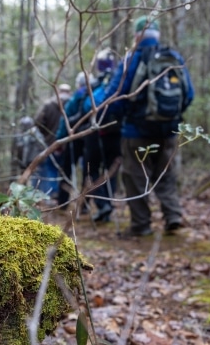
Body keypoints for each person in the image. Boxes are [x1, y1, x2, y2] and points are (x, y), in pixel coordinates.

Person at [102, 16, 195, 237]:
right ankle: (173, 216)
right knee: (166, 174)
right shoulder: (174, 57)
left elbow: (113, 95)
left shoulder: (132, 58)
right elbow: (189, 94)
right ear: (157, 35)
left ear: (136, 36)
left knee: (135, 177)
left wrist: (121, 116)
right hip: (169, 130)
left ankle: (141, 225)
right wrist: (173, 115)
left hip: (136, 131)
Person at [83, 48, 122, 222]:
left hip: (95, 133)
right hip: (116, 134)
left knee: (91, 170)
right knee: (110, 171)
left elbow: (85, 107)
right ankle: (107, 204)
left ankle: (102, 205)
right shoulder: (118, 81)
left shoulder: (96, 83)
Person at [55, 72, 94, 211]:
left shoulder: (76, 97)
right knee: (88, 171)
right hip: (91, 137)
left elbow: (64, 120)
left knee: (67, 169)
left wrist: (59, 140)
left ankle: (63, 202)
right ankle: (85, 205)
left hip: (75, 138)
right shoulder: (96, 94)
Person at [33, 84, 72, 197]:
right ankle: (62, 195)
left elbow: (38, 122)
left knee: (51, 168)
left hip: (50, 143)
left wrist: (45, 134)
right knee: (65, 170)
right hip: (68, 143)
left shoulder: (48, 105)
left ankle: (53, 192)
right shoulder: (73, 103)